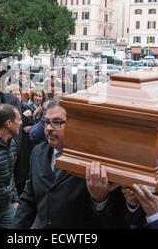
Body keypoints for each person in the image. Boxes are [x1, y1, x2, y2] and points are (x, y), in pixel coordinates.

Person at [13, 97, 120, 228]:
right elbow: (29, 199)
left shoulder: (93, 160)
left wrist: (100, 200)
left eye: (57, 123)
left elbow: (111, 215)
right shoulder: (37, 153)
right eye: (46, 122)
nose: (49, 128)